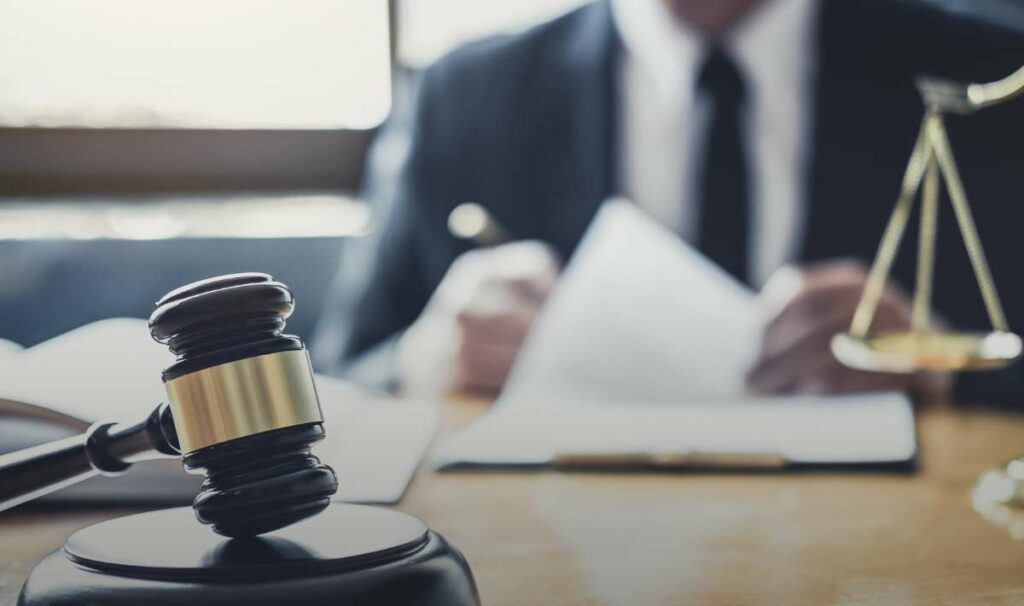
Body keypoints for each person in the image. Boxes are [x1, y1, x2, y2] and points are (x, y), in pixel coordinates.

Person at [313, 0, 1024, 406]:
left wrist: (942, 367)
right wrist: (422, 361)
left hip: (892, 585)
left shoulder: (992, 82)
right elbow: (337, 380)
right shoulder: (465, 95)